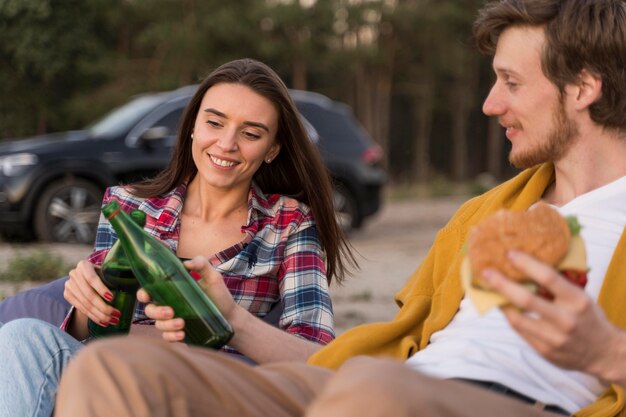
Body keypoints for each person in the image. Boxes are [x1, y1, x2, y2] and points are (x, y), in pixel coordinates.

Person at [51, 0, 626, 416]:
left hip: (491, 401)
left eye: (510, 82)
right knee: (116, 374)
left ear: (582, 88)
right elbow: (403, 343)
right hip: (383, 386)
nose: (489, 103)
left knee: (375, 395)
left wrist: (607, 352)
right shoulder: (484, 216)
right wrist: (230, 318)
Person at [0, 58, 356, 417]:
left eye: (250, 134)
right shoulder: (129, 208)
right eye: (214, 123)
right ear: (191, 128)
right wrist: (86, 309)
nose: (227, 143)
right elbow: (105, 333)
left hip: (215, 392)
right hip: (117, 374)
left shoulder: (289, 223)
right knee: (22, 337)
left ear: (272, 149)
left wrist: (230, 319)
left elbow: (319, 361)